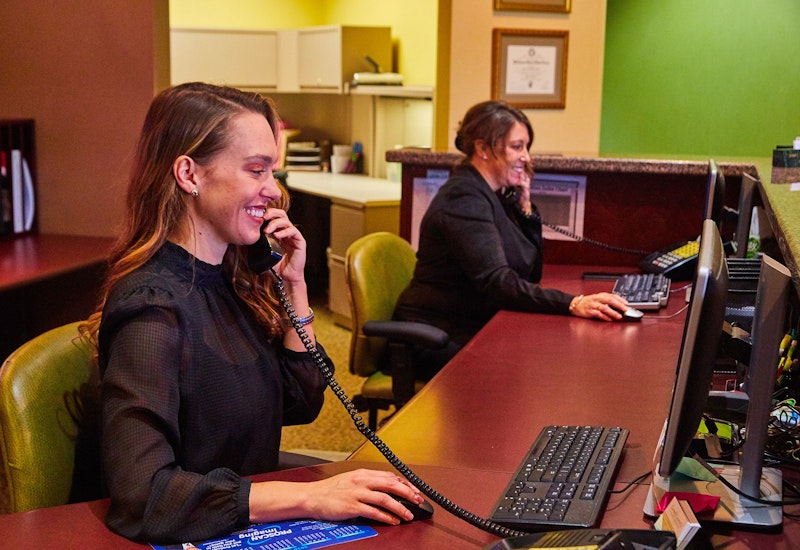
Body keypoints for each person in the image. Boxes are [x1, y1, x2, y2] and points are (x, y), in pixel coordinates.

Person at [79, 82, 423, 544]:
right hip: (192, 532)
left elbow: (300, 402)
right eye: (256, 170)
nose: (273, 190)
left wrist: (293, 285)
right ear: (189, 174)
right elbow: (143, 494)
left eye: (272, 171)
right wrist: (306, 499)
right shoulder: (151, 308)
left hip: (246, 521)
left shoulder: (231, 280)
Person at [393, 100, 629, 380]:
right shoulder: (464, 199)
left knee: (541, 357)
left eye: (526, 147)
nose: (526, 157)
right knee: (529, 368)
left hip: (469, 324)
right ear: (482, 148)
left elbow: (529, 272)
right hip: (436, 334)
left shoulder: (491, 195)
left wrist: (525, 208)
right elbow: (498, 282)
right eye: (517, 147)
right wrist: (573, 303)